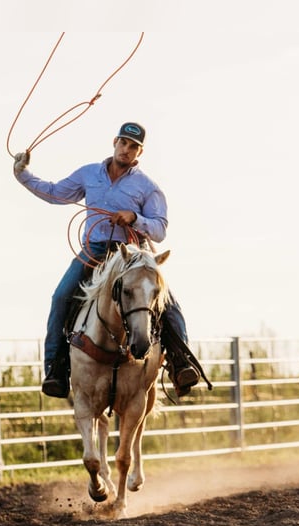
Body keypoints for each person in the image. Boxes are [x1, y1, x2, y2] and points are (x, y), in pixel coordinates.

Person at [13, 122, 204, 399]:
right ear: (115, 141)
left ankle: (181, 363)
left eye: (133, 146)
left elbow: (160, 230)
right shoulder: (89, 174)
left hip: (132, 254)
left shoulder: (147, 187)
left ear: (139, 152)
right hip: (95, 250)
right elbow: (55, 193)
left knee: (167, 302)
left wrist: (135, 218)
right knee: (61, 297)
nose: (126, 150)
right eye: (123, 143)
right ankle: (55, 369)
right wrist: (23, 174)